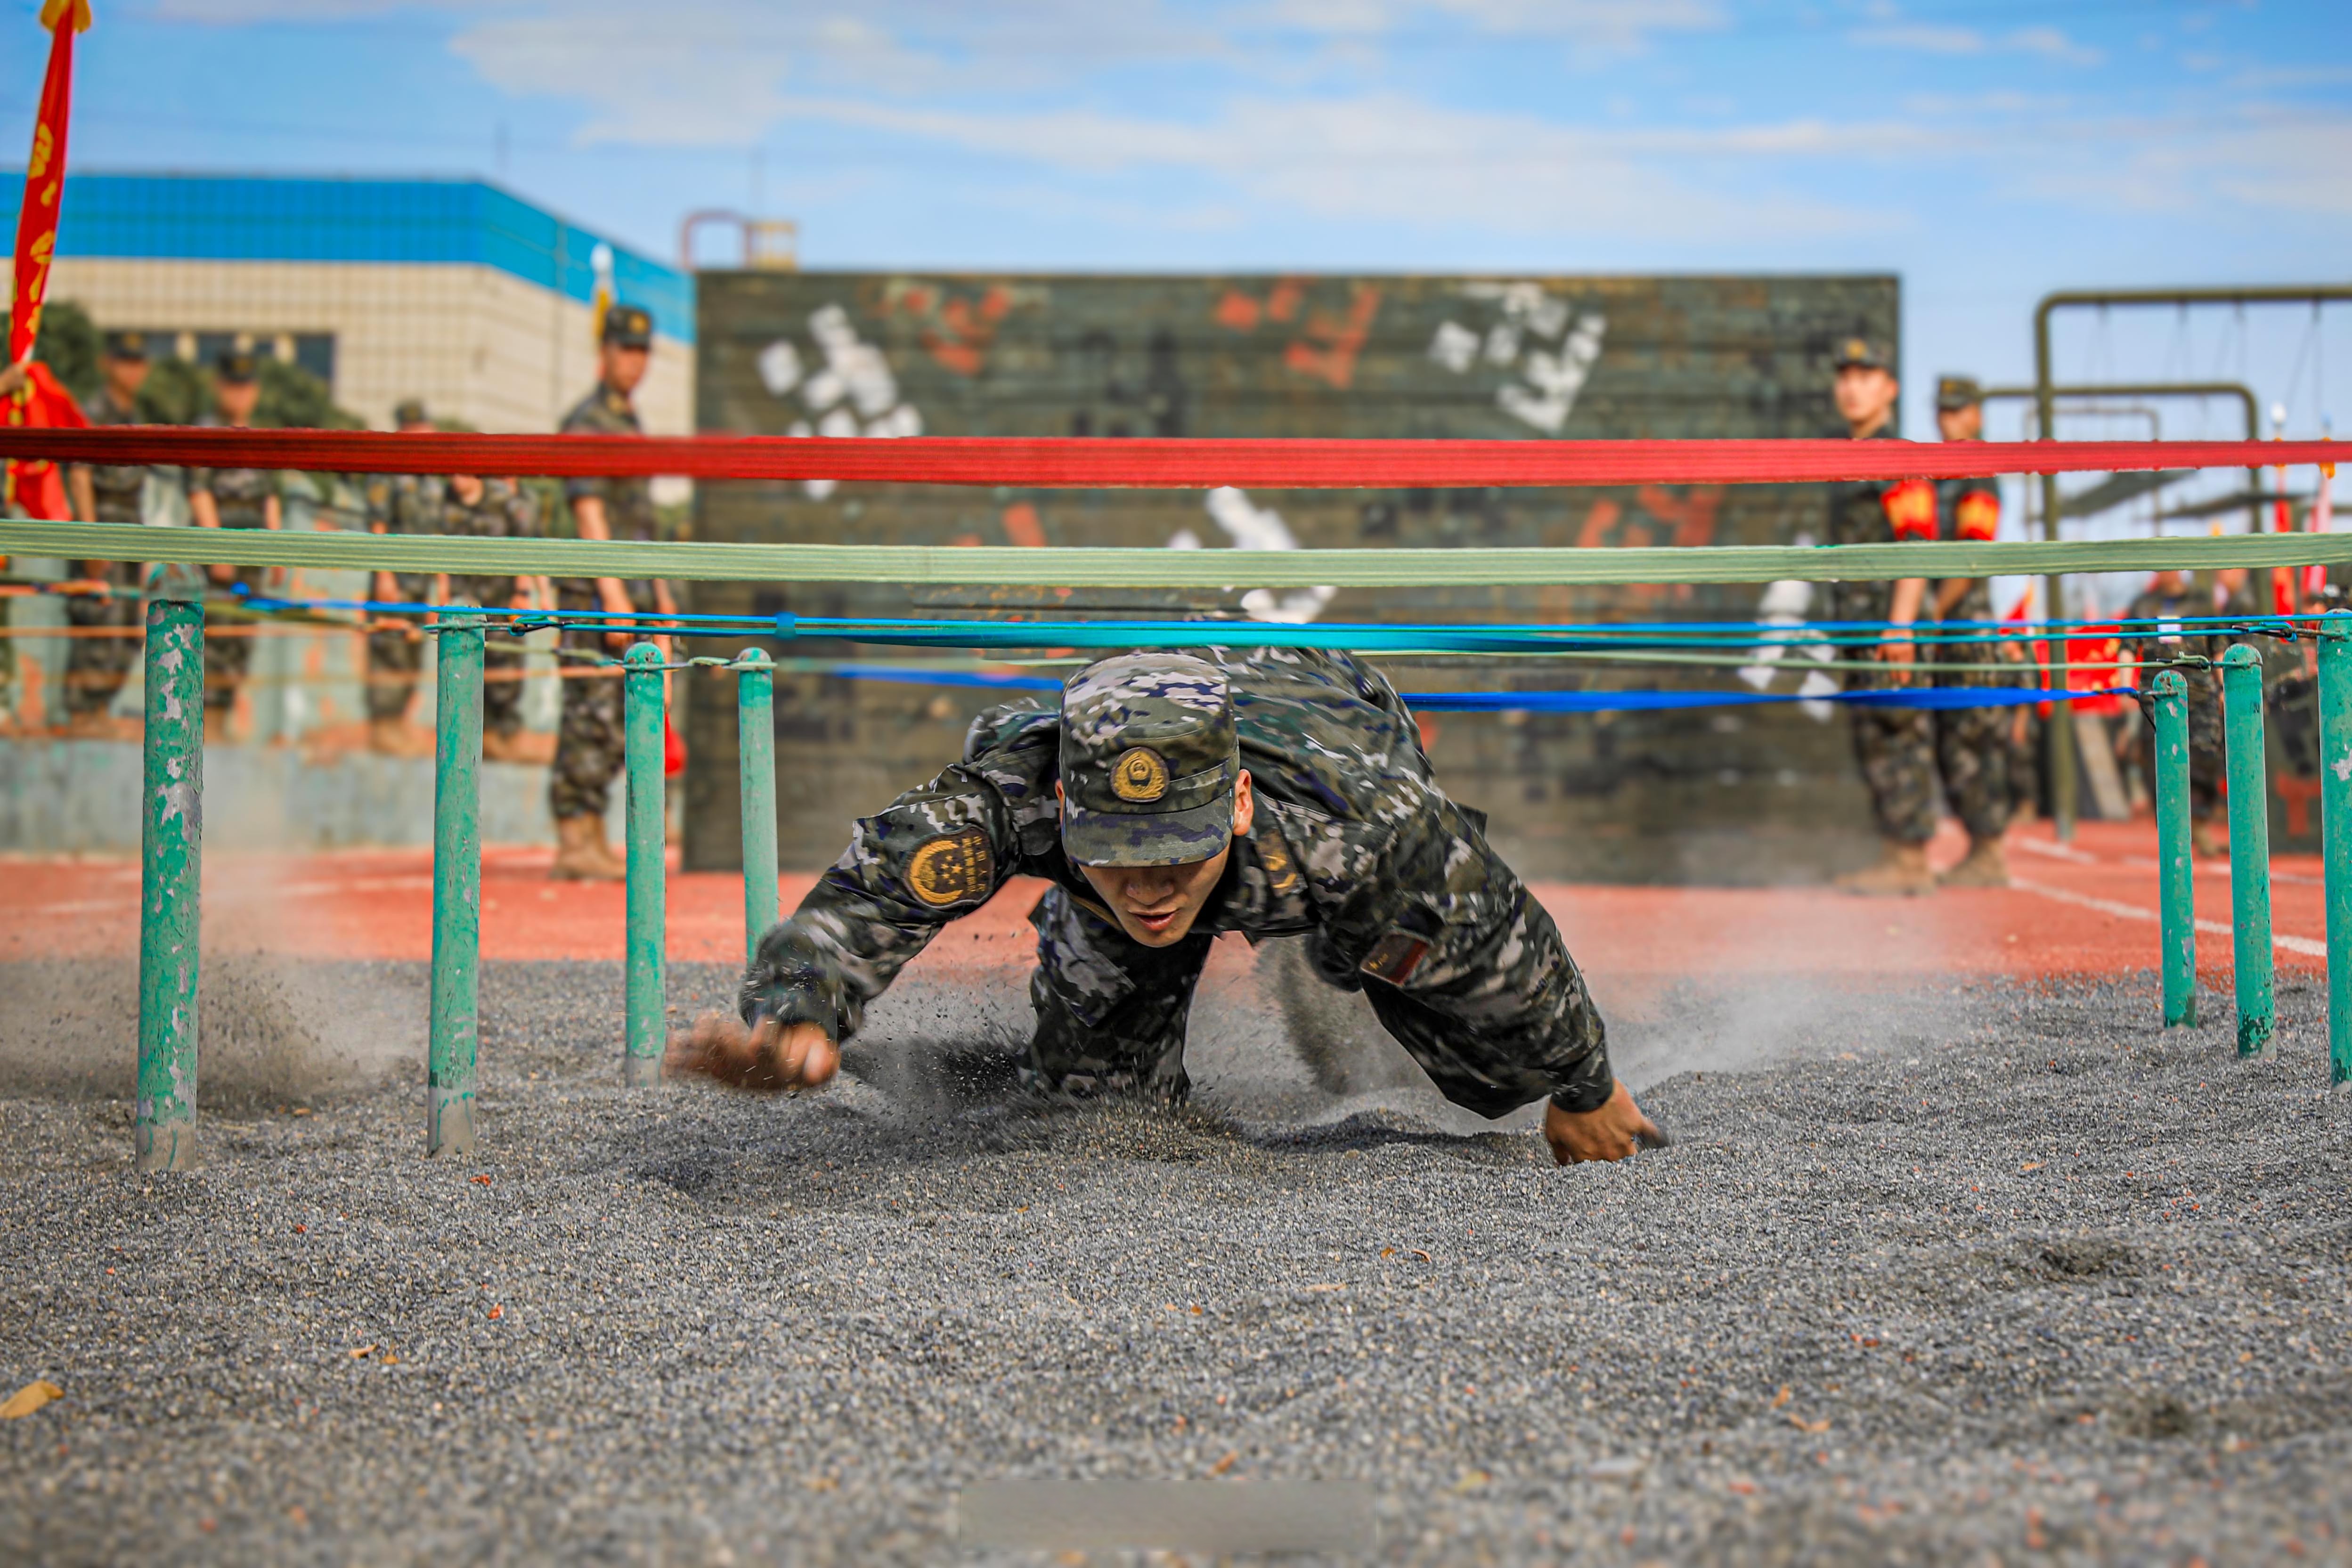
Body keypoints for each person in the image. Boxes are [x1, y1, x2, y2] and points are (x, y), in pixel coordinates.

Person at [667, 647, 1665, 1166]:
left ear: (1231, 806)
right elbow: (876, 882)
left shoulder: (1369, 827)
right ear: (1066, 808)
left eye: (1172, 854)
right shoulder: (1019, 788)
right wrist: (802, 1006)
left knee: (1440, 997)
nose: (1147, 885)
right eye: (1116, 854)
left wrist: (1584, 1083)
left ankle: (1317, 958)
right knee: (1097, 1105)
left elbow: (1511, 941)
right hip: (1177, 770)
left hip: (1330, 731)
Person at [549, 304, 677, 879]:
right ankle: (574, 837)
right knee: (589, 712)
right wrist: (612, 593)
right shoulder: (587, 421)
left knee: (619, 716)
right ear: (603, 351)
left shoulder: (630, 422)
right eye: (625, 349)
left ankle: (592, 835)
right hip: (593, 590)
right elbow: (590, 509)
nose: (634, 361)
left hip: (630, 588)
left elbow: (640, 522)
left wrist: (660, 596)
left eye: (642, 351)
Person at [1823, 337, 1939, 896]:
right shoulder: (1851, 455)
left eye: (1865, 375)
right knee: (1874, 737)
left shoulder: (1896, 455)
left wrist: (1901, 624)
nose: (1851, 386)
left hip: (1886, 626)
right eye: (1844, 375)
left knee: (1898, 734)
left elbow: (1917, 542)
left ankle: (1912, 858)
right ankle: (1897, 853)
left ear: (1889, 387)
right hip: (1858, 627)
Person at [1925, 375, 2014, 887]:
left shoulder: (1977, 474)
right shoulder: (1938, 474)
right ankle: (1980, 847)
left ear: (1976, 415)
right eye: (1942, 410)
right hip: (1945, 625)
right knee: (1949, 741)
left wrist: (1934, 609)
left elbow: (1971, 554)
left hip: (1966, 626)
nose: (1947, 419)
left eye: (1957, 411)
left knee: (1974, 739)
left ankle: (1989, 850)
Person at [58, 330, 154, 739]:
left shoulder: (138, 418)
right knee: (95, 630)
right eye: (122, 360)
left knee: (128, 634)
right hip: (99, 539)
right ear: (106, 363)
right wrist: (91, 541)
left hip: (128, 540)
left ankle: (97, 715)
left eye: (136, 362)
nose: (130, 370)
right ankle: (83, 718)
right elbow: (80, 477)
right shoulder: (93, 411)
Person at [184, 349, 280, 743]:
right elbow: (198, 490)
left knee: (240, 644)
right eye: (232, 386)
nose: (239, 395)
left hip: (251, 561)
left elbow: (269, 496)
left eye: (246, 387)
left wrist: (277, 550)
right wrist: (217, 547)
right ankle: (204, 731)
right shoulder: (206, 432)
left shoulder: (260, 438)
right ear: (218, 387)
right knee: (213, 641)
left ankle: (221, 727)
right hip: (218, 563)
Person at [2127, 567, 2247, 858]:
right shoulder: (2143, 605)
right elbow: (2128, 646)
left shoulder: (2201, 602)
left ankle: (2201, 823)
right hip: (2157, 693)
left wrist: (2223, 690)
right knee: (2161, 763)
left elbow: (2218, 646)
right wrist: (2122, 688)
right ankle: (2173, 832)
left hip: (2201, 693)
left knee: (2206, 755)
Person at [432, 470, 551, 763]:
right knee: (462, 671)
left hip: (501, 603)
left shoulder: (504, 501)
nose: (457, 480)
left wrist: (523, 594)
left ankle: (504, 740)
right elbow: (440, 554)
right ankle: (466, 745)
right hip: (465, 608)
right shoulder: (445, 506)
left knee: (506, 676)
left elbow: (523, 549)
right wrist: (441, 599)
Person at [360, 399, 441, 756]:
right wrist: (384, 577)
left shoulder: (432, 478)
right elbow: (378, 525)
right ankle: (383, 729)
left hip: (420, 583)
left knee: (411, 653)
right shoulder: (387, 471)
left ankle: (398, 727)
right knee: (388, 653)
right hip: (393, 580)